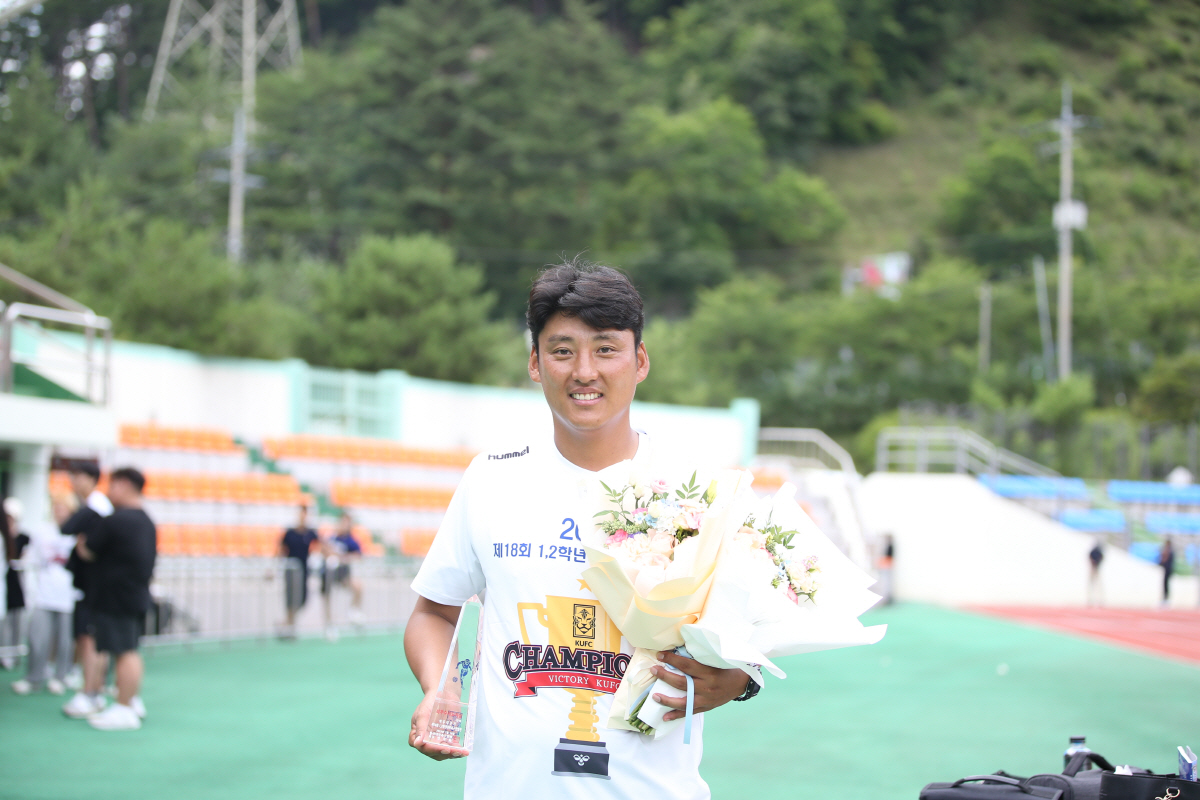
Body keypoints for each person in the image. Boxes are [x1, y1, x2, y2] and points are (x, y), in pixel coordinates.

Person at [405, 260, 754, 798]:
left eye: (606, 349)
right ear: (535, 364)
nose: (584, 371)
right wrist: (440, 686)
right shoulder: (492, 478)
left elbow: (750, 643)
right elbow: (434, 611)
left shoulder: (693, 490)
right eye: (563, 350)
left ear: (639, 361)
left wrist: (739, 681)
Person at [76, 467, 156, 731]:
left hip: (116, 597)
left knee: (124, 653)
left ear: (122, 485)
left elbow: (88, 551)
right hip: (134, 595)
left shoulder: (116, 520)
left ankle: (123, 707)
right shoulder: (146, 520)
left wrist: (81, 538)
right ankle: (129, 702)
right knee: (129, 651)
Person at [60, 461, 114, 718]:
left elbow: (68, 529)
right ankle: (93, 691)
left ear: (92, 478)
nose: (73, 481)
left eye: (78, 476)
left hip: (95, 588)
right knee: (88, 639)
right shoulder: (93, 506)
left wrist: (85, 547)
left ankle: (91, 692)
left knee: (90, 640)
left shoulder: (97, 507)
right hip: (88, 586)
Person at [12, 493, 79, 695]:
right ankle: (34, 677)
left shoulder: (77, 533)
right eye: (56, 507)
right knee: (36, 637)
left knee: (65, 640)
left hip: (69, 595)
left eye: (63, 507)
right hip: (44, 593)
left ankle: (61, 676)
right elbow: (30, 558)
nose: (59, 511)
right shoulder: (43, 531)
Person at [320, 512, 365, 639]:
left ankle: (354, 610)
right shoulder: (331, 537)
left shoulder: (351, 541)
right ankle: (329, 626)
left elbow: (358, 555)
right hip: (328, 574)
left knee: (358, 586)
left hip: (343, 574)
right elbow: (324, 549)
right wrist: (330, 553)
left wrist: (342, 558)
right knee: (328, 599)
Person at [279, 505, 318, 637]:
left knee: (302, 600)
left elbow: (322, 545)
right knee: (290, 600)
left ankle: (286, 624)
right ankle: (290, 628)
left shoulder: (310, 533)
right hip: (291, 571)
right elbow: (281, 550)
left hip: (304, 572)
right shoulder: (289, 533)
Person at [1, 497, 31, 670]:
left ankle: (12, 655)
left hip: (14, 583)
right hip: (5, 582)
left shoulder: (23, 537)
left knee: (14, 621)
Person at [1087, 539, 1104, 607]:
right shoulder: (1096, 552)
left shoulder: (1096, 552)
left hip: (1096, 568)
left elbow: (1100, 558)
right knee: (1093, 584)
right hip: (1094, 568)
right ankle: (1092, 600)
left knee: (1097, 585)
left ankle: (1098, 600)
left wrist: (1096, 564)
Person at [1160, 539, 1175, 608]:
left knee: (1166, 584)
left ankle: (1166, 599)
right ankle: (1165, 598)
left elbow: (1166, 561)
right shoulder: (1168, 551)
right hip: (1166, 569)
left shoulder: (1169, 552)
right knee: (1165, 584)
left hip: (1168, 570)